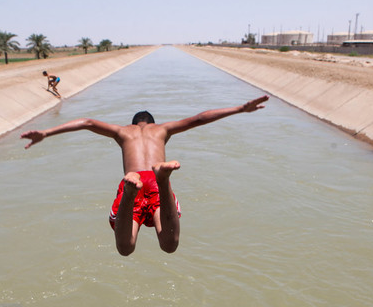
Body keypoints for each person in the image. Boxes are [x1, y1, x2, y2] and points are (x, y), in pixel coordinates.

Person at [21, 95, 269, 256]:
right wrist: (239, 109)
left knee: (125, 248)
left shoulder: (121, 131)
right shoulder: (162, 129)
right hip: (154, 179)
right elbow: (199, 118)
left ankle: (130, 194)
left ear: (133, 124)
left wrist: (47, 132)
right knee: (169, 245)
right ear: (151, 123)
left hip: (134, 180)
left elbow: (87, 121)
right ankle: (163, 179)